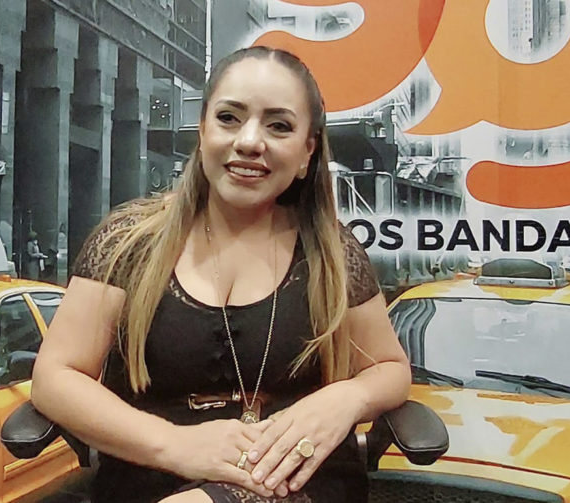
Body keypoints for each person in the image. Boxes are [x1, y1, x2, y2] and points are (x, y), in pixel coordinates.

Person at [31, 46, 411, 503]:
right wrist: (176, 445)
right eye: (229, 118)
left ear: (307, 152)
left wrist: (348, 398)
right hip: (150, 478)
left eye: (279, 126)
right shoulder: (127, 242)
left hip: (294, 481)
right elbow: (55, 377)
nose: (250, 141)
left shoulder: (332, 252)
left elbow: (390, 370)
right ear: (203, 130)